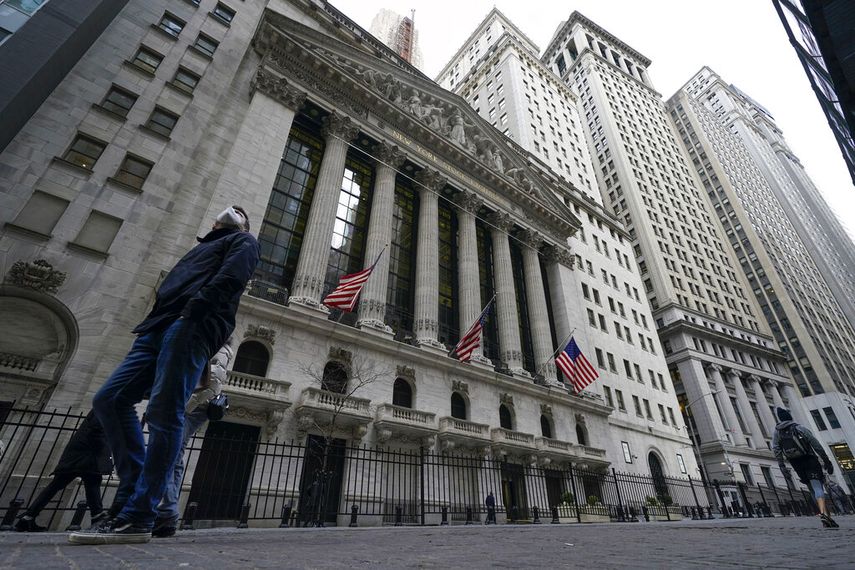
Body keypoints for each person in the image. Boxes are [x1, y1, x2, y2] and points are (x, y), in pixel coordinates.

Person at [69, 206, 259, 545]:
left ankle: (139, 514)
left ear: (244, 226)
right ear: (212, 222)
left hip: (191, 324)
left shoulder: (243, 242)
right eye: (228, 211)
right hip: (156, 328)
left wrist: (196, 309)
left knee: (163, 412)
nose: (233, 212)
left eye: (241, 214)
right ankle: (133, 493)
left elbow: (230, 279)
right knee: (109, 400)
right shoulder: (201, 247)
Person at [152, 338, 234, 538]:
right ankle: (167, 510)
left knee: (168, 452)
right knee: (176, 455)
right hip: (194, 405)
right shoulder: (213, 346)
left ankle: (166, 512)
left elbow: (213, 379)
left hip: (194, 406)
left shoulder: (219, 347)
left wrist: (184, 406)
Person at [14, 410, 113, 531]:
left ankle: (28, 517)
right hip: (87, 454)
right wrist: (103, 449)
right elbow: (96, 430)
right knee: (92, 481)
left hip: (80, 454)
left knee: (57, 485)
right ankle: (97, 518)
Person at [772, 407, 838, 528]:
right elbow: (815, 444)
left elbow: (776, 449)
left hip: (795, 463)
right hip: (809, 459)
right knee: (817, 487)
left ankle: (826, 516)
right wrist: (826, 460)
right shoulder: (799, 427)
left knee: (811, 489)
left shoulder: (777, 432)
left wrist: (782, 466)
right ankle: (824, 514)